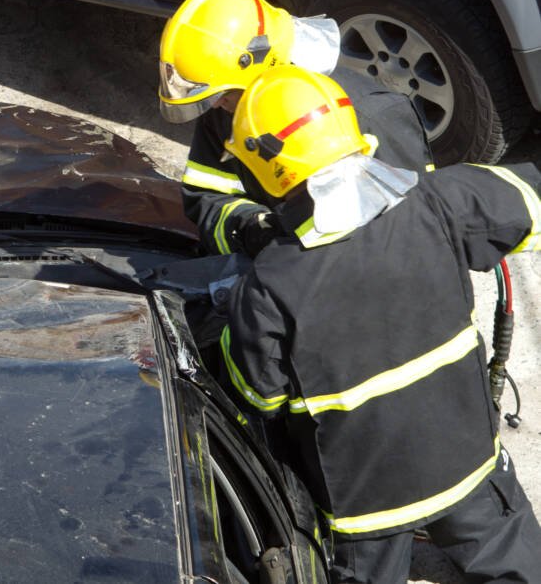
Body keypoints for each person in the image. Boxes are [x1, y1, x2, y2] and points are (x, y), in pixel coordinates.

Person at [219, 64, 541, 583]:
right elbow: (527, 204)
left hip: (365, 506)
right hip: (463, 466)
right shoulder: (439, 203)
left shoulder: (268, 284)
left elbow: (258, 397)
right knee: (515, 554)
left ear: (265, 172)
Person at [158, 0, 433, 258]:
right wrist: (251, 228)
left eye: (223, 94)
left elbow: (417, 237)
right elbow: (206, 195)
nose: (216, 104)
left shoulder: (376, 116)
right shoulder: (230, 104)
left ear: (265, 63)